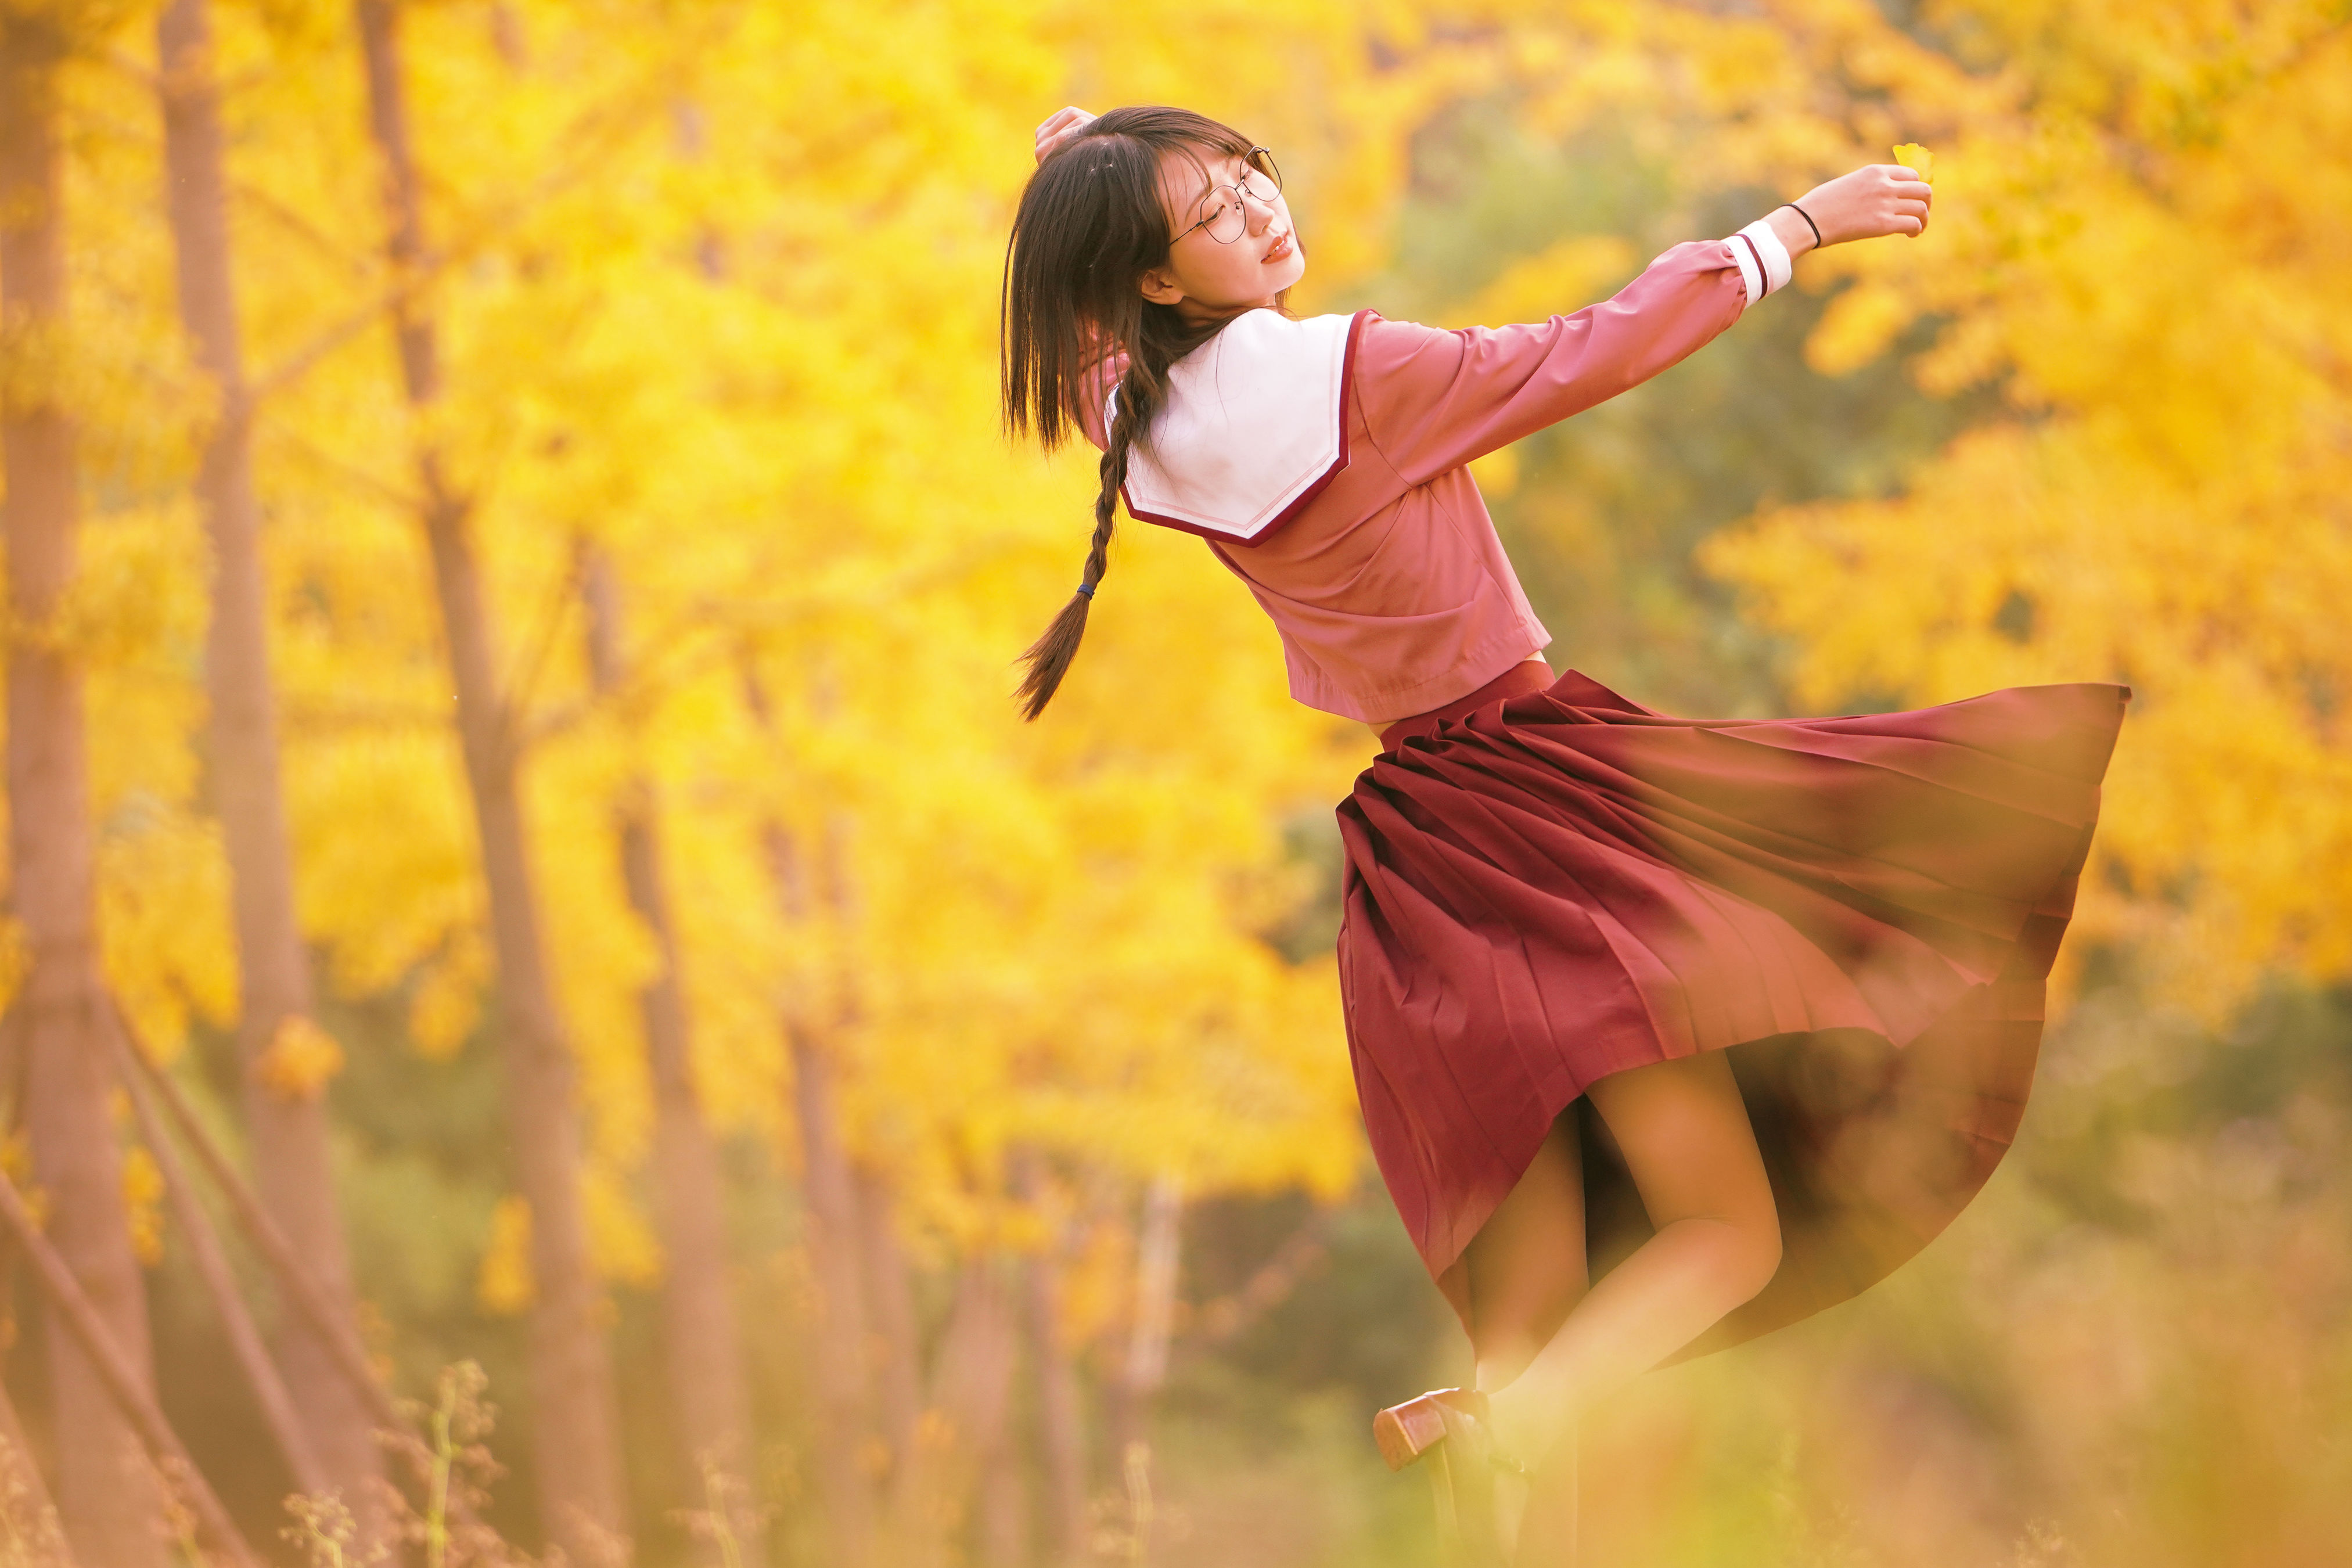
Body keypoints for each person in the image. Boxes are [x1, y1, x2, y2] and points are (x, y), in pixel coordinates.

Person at [1005, 105, 2126, 1565]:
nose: (1265, 212)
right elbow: (1588, 348)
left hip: (1421, 863)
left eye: (1248, 176)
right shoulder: (1358, 376)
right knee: (1733, 1214)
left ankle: (1511, 1421)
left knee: (1603, 1283)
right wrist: (1794, 231)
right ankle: (1519, 1420)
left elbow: (1100, 344)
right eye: (1215, 214)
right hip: (1550, 814)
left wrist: (1079, 165)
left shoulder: (1142, 434)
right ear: (1158, 279)